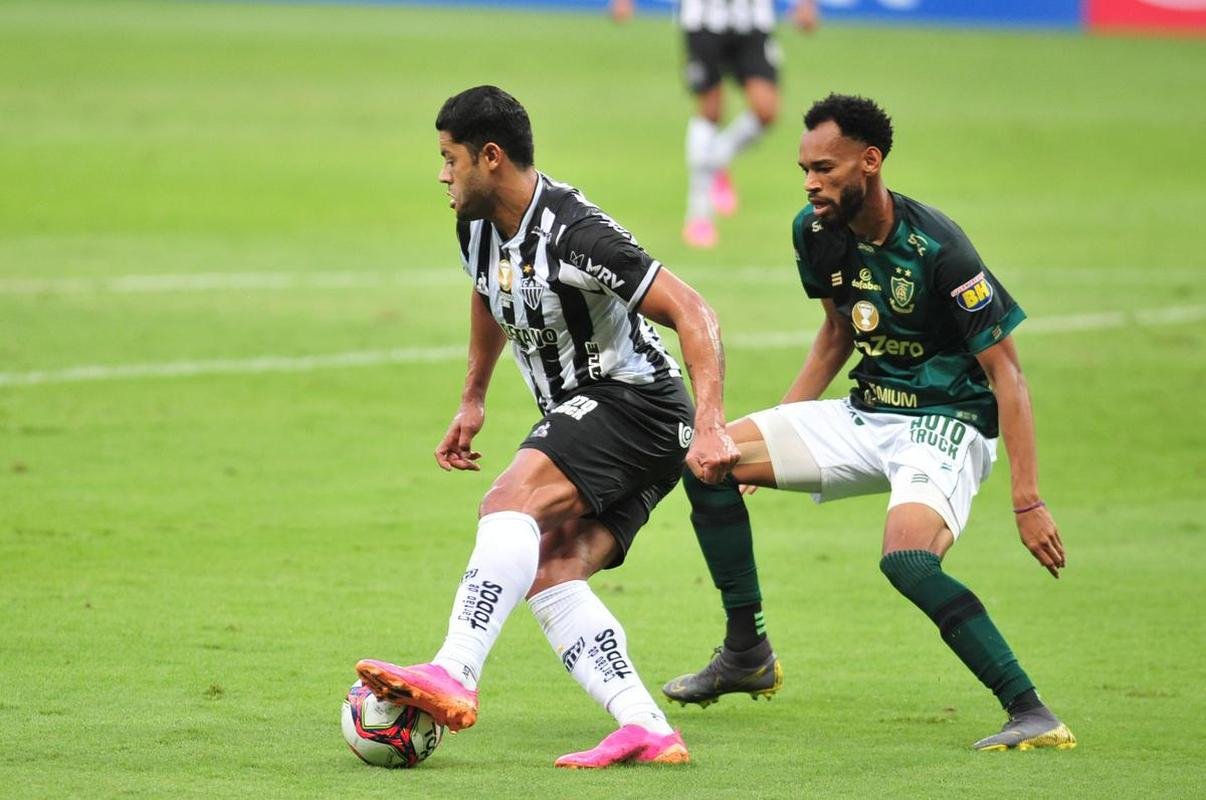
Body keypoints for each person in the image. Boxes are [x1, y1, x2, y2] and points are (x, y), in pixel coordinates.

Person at [663, 93, 1077, 751]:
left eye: (825, 169)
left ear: (870, 162)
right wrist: (778, 422)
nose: (810, 183)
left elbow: (1008, 375)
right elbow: (836, 333)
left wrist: (1027, 501)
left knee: (908, 561)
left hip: (948, 421)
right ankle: (747, 653)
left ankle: (1031, 711)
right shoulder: (815, 231)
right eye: (804, 168)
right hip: (868, 411)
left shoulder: (941, 248)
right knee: (707, 457)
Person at [356, 85, 740, 769]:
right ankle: (646, 727)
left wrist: (711, 426)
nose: (442, 174)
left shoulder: (576, 233)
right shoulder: (475, 226)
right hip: (605, 421)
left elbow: (694, 311)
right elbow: (487, 290)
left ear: (491, 158)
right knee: (553, 569)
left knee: (509, 501)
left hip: (636, 405)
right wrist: (472, 399)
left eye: (450, 159)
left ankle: (455, 670)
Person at [610, 0, 819, 248]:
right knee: (710, 110)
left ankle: (717, 159)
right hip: (703, 21)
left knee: (766, 110)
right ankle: (698, 215)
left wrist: (805, 5)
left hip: (753, 21)